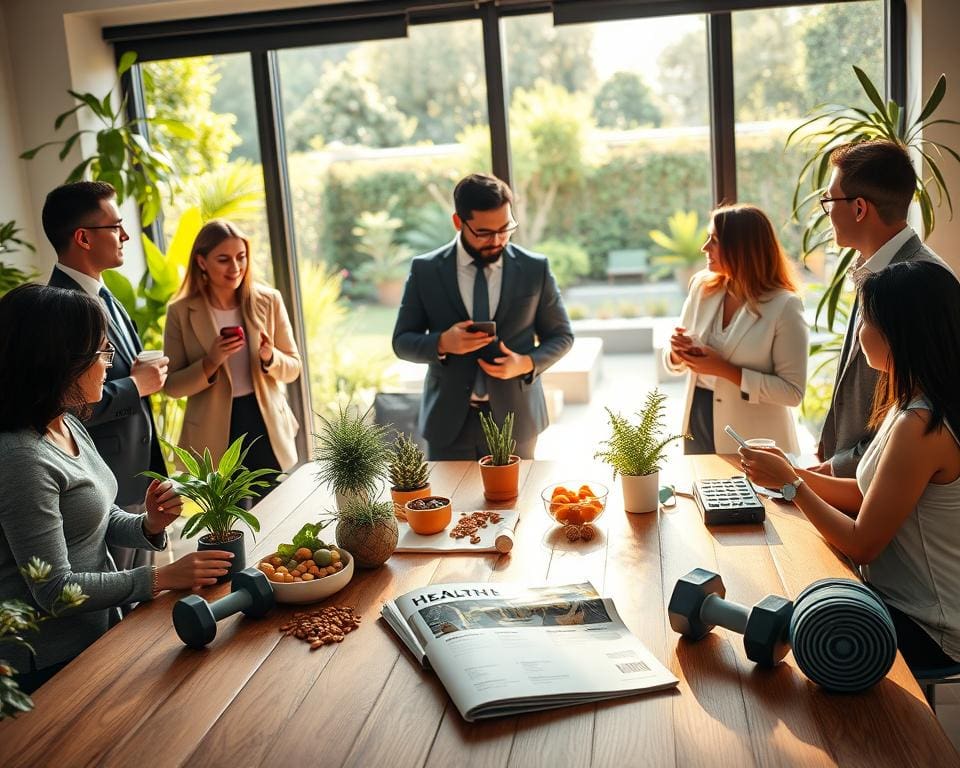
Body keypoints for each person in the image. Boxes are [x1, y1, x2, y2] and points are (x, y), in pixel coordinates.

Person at [0, 285, 234, 693]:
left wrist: (149, 524)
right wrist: (159, 578)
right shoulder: (20, 457)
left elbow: (97, 516)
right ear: (59, 360)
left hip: (97, 635)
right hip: (49, 664)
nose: (110, 365)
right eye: (101, 352)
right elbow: (55, 590)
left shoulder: (66, 422)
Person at [739, 261, 960, 670]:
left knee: (788, 622)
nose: (859, 334)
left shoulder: (921, 424)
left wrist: (791, 485)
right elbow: (867, 496)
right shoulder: (913, 400)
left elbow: (861, 543)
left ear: (899, 333)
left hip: (931, 626)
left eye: (867, 321)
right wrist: (788, 474)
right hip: (907, 601)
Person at [392, 173, 574, 460]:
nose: (498, 240)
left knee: (516, 503)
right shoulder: (425, 270)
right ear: (458, 222)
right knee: (450, 503)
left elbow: (562, 336)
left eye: (506, 228)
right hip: (447, 422)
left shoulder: (534, 269)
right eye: (485, 233)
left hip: (517, 421)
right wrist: (442, 343)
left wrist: (526, 363)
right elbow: (401, 341)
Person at [44, 181, 169, 579]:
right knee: (117, 603)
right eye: (116, 226)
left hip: (134, 474)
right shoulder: (58, 309)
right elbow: (62, 405)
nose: (126, 236)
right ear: (82, 237)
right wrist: (137, 386)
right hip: (100, 483)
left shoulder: (106, 295)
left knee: (141, 600)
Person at [814, 139, 953, 477]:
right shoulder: (870, 266)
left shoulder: (919, 282)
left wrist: (833, 469)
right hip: (854, 478)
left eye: (829, 199)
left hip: (889, 497)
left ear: (859, 208)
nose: (827, 209)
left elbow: (930, 402)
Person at [164, 220, 302, 484]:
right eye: (224, 259)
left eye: (241, 257)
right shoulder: (180, 311)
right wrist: (210, 362)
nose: (236, 267)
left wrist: (269, 357)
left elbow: (293, 367)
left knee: (273, 510)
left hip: (265, 422)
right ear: (202, 262)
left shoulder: (269, 300)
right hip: (213, 431)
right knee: (229, 521)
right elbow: (172, 386)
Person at [663, 204, 808, 455]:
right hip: (697, 419)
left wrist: (725, 370)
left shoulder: (785, 306)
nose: (705, 247)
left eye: (715, 240)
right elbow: (673, 361)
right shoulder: (702, 287)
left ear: (743, 249)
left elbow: (792, 393)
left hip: (755, 438)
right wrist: (678, 353)